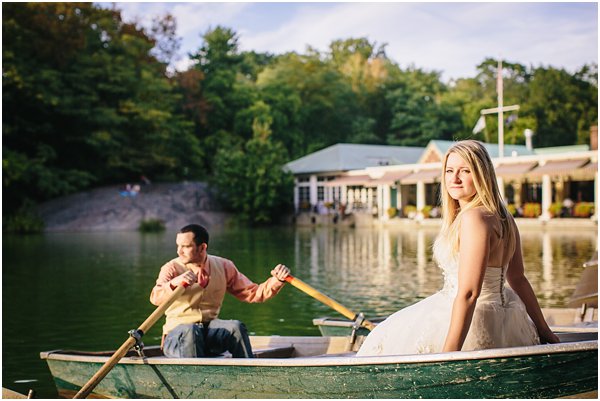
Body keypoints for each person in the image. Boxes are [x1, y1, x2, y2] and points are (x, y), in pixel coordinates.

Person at [357, 140, 559, 357]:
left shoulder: (474, 218)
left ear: (482, 175)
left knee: (383, 337)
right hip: (506, 317)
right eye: (449, 170)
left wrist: (448, 355)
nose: (454, 178)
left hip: (472, 318)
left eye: (465, 171)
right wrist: (543, 330)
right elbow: (518, 279)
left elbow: (470, 293)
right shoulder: (504, 216)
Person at [150, 224, 291, 358]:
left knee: (236, 327)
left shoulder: (224, 266)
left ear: (202, 247)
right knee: (190, 331)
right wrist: (175, 283)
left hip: (209, 336)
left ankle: (248, 373)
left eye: (185, 246)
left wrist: (277, 280)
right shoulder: (171, 268)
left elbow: (253, 293)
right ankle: (194, 379)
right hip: (177, 338)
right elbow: (155, 298)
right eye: (178, 246)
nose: (179, 251)